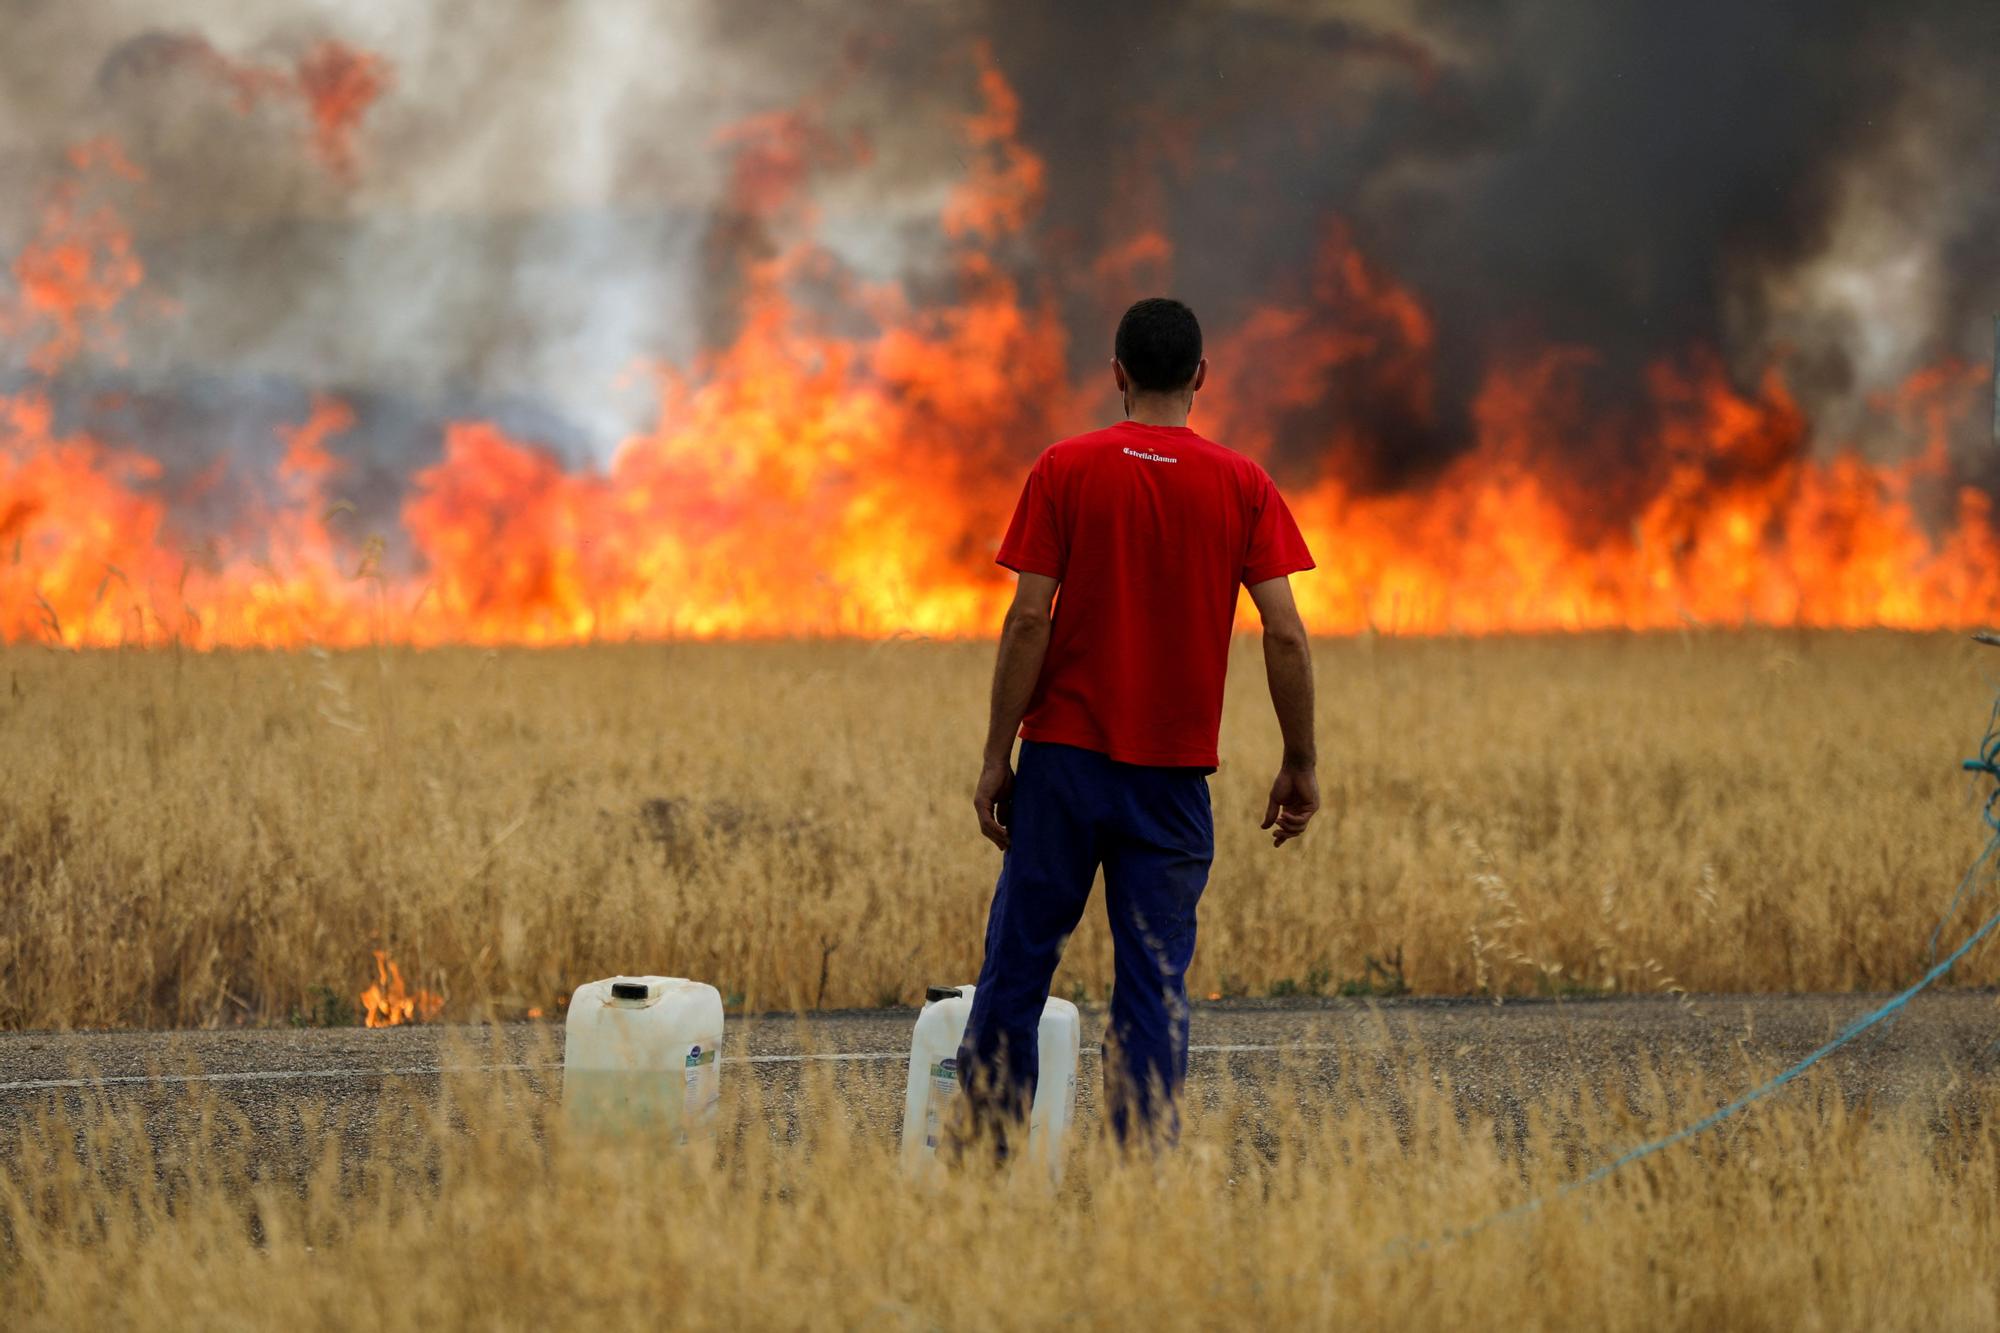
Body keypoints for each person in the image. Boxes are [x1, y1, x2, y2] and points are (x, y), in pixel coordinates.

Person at [958, 296, 1320, 1153]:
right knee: (1155, 986)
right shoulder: (1243, 483)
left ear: (1116, 373)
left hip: (1062, 767)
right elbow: (1287, 631)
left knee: (1016, 967)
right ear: (1201, 376)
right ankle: (1141, 1182)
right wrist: (1300, 758)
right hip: (1172, 782)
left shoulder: (1063, 468)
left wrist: (994, 754)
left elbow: (1028, 619)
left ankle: (983, 1169)